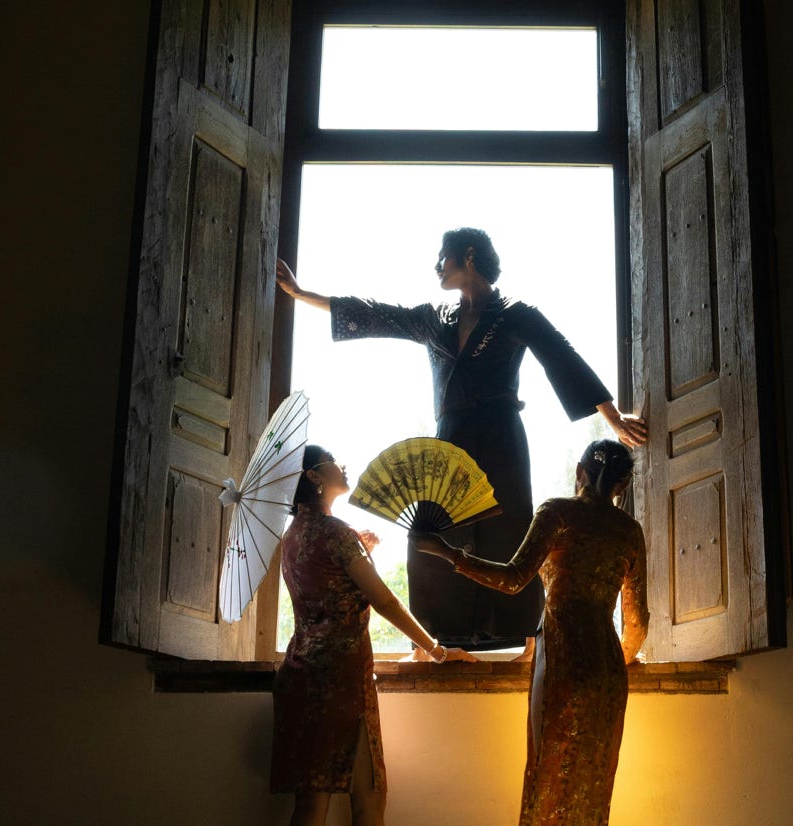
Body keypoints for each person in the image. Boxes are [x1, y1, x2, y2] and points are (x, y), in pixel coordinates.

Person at [275, 227, 646, 657]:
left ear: (468, 256)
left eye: (442, 258)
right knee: (432, 530)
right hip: (449, 440)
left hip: (502, 435)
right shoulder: (435, 320)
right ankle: (434, 638)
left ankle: (524, 639)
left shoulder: (514, 315)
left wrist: (613, 417)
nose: (436, 267)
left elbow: (559, 353)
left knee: (509, 526)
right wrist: (302, 295)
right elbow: (377, 313)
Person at [411, 439, 649, 826]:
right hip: (607, 667)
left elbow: (513, 579)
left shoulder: (558, 513)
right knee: (595, 780)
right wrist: (616, 660)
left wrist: (448, 553)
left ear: (580, 473)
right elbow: (638, 622)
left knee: (549, 773)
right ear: (621, 487)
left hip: (563, 654)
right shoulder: (629, 531)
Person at [271, 444, 475, 826]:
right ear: (314, 476)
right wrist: (435, 650)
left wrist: (359, 550)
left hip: (300, 674)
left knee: (311, 805)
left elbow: (326, 587)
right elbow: (384, 601)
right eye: (332, 460)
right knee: (369, 799)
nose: (342, 464)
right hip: (340, 680)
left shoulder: (293, 535)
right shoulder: (337, 534)